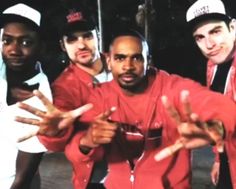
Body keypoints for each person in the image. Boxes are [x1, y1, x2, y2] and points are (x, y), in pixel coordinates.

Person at [15, 29, 236, 189]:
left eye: (136, 58)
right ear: (109, 61)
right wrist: (87, 141)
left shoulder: (172, 87)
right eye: (120, 58)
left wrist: (220, 125)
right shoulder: (99, 96)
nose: (128, 66)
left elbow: (215, 104)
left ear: (148, 61)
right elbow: (75, 150)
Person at [39, 3, 112, 188]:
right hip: (97, 177)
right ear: (62, 45)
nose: (81, 45)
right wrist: (54, 131)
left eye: (87, 36)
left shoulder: (124, 62)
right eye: (72, 40)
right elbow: (56, 142)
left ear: (98, 36)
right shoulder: (63, 87)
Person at [0, 3, 53, 189]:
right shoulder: (2, 70)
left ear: (41, 47)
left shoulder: (40, 100)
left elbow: (22, 179)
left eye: (25, 42)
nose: (14, 50)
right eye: (7, 41)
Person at [186, 0, 236, 188]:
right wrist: (218, 159)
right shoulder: (213, 64)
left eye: (216, 31)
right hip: (227, 160)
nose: (209, 44)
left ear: (233, 27)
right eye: (200, 37)